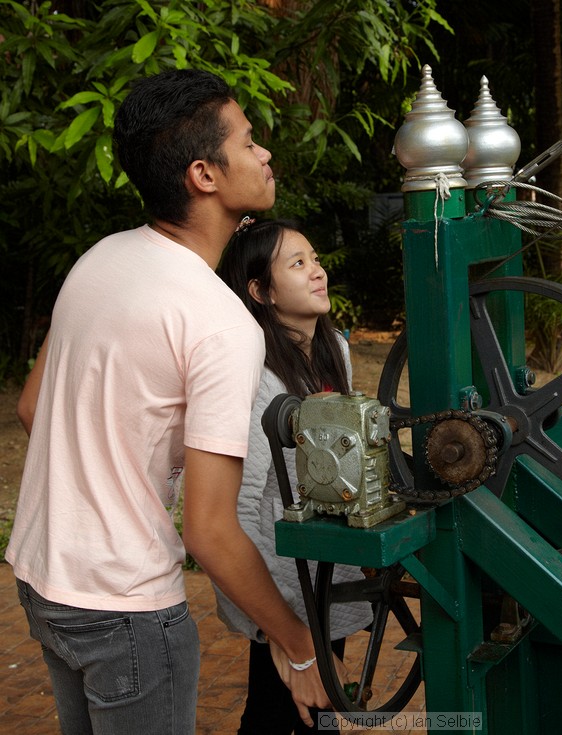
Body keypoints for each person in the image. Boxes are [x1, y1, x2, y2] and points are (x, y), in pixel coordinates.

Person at [8, 68, 332, 734]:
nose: (264, 153)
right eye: (248, 141)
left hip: (45, 582)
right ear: (204, 175)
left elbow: (33, 407)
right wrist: (298, 643)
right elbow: (210, 531)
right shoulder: (219, 321)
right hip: (126, 608)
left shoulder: (100, 257)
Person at [214, 219, 372, 734]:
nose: (318, 272)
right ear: (260, 291)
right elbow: (236, 509)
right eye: (297, 264)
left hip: (328, 568)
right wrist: (284, 630)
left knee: (315, 714)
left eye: (315, 258)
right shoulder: (255, 377)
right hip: (278, 576)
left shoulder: (335, 352)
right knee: (280, 714)